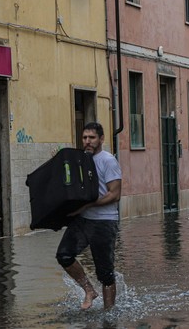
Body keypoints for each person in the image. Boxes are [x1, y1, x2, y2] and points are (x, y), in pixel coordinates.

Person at [55, 122, 122, 310]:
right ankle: (89, 290)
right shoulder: (81, 160)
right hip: (83, 220)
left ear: (101, 139)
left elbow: (114, 194)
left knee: (105, 274)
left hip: (104, 222)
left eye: (92, 138)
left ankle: (109, 314)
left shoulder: (108, 160)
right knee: (64, 255)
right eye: (84, 137)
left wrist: (88, 205)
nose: (87, 141)